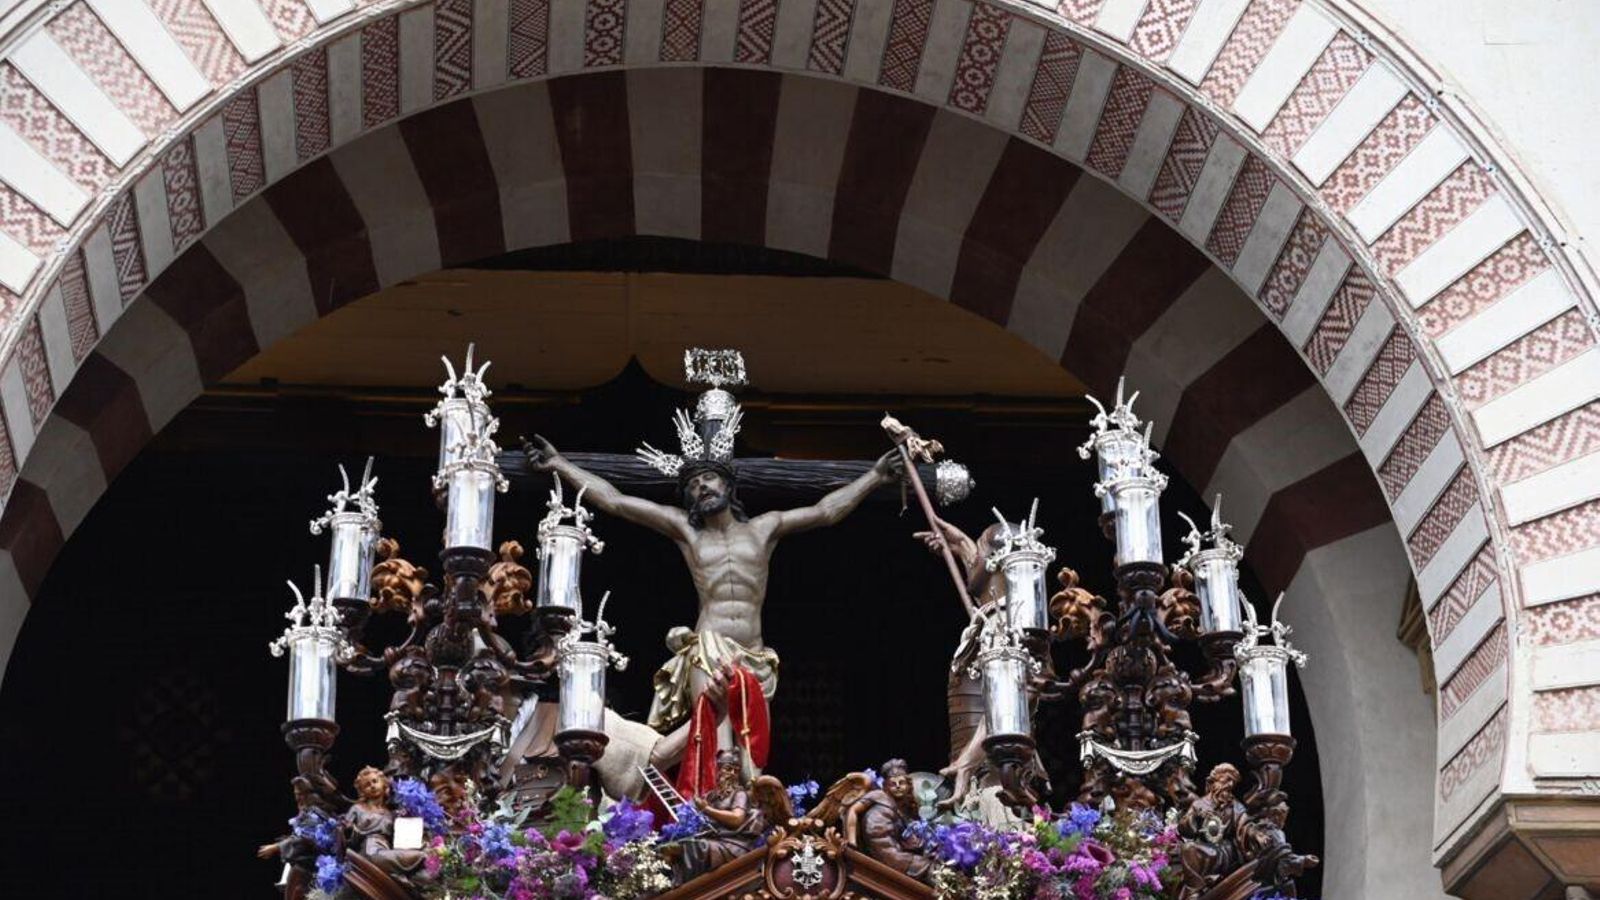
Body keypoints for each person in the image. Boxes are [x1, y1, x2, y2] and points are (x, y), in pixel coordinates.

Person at [525, 436, 901, 742]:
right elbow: (617, 501)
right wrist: (560, 464)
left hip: (754, 652)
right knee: (714, 738)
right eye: (692, 484)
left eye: (708, 479)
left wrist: (876, 476)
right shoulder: (687, 533)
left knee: (753, 746)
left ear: (728, 485)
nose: (701, 487)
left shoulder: (764, 528)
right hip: (709, 645)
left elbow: (825, 511)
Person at [849, 759, 934, 881]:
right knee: (931, 868)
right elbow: (853, 810)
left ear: (909, 785)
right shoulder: (879, 796)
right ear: (886, 786)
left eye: (902, 783)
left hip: (897, 854)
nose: (898, 786)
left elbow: (902, 837)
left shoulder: (904, 811)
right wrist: (852, 844)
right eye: (893, 784)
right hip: (885, 854)